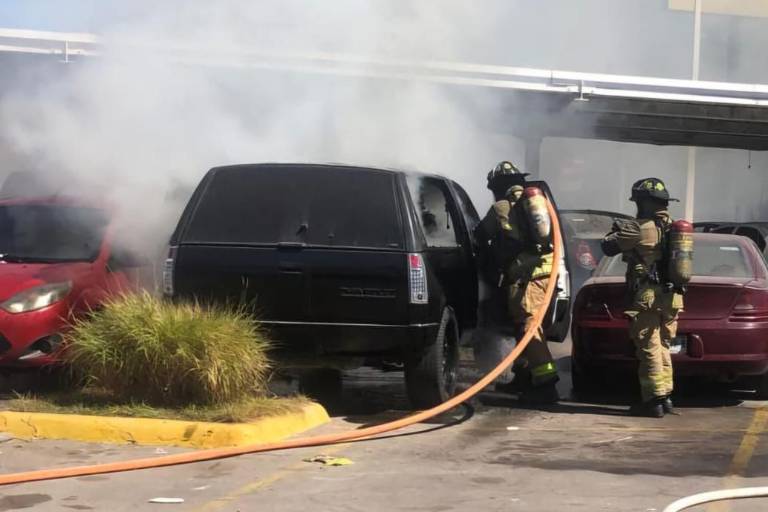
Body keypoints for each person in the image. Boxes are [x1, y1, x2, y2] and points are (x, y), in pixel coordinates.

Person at [473, 161, 559, 404]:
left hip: (526, 277)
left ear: (497, 187)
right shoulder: (540, 202)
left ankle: (546, 384)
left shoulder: (501, 206)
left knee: (528, 328)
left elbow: (480, 235)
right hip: (547, 275)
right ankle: (524, 377)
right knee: (529, 328)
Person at [601, 177, 684, 418]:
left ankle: (652, 400)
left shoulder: (638, 228)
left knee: (648, 345)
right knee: (664, 345)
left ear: (644, 202)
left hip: (647, 296)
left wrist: (615, 229)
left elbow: (608, 247)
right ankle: (666, 396)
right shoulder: (675, 228)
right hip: (672, 297)